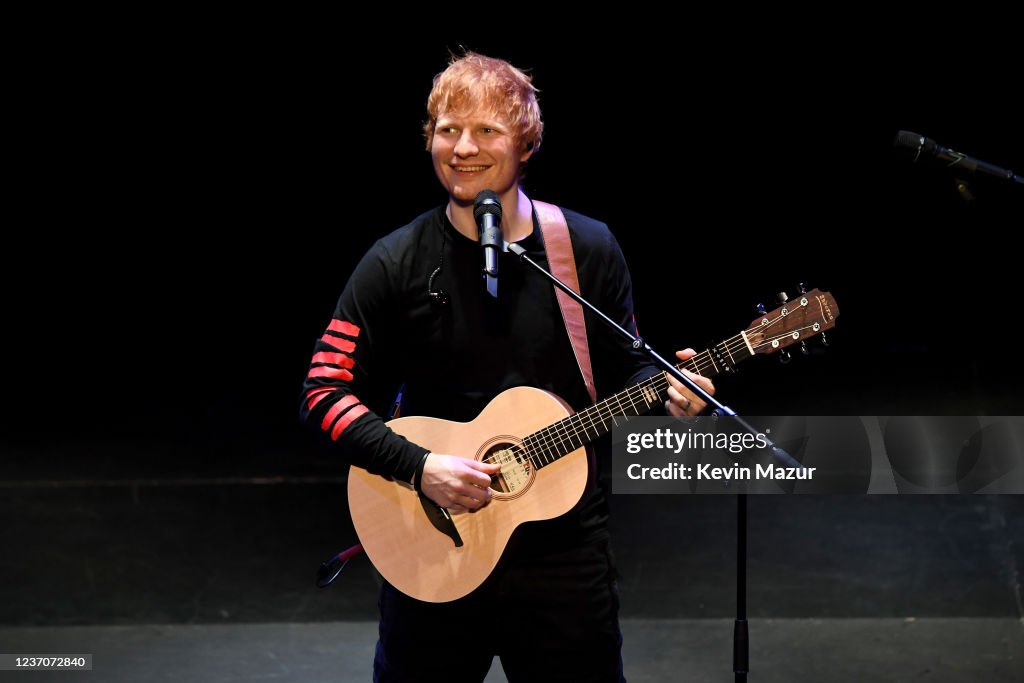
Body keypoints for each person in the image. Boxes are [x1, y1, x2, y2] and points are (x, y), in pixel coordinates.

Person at [300, 51, 715, 682]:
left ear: (526, 143)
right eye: (447, 129)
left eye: (486, 130)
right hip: (434, 544)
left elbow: (628, 369)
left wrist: (667, 392)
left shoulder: (585, 248)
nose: (463, 147)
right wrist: (421, 466)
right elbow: (324, 391)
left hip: (563, 559)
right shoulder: (395, 261)